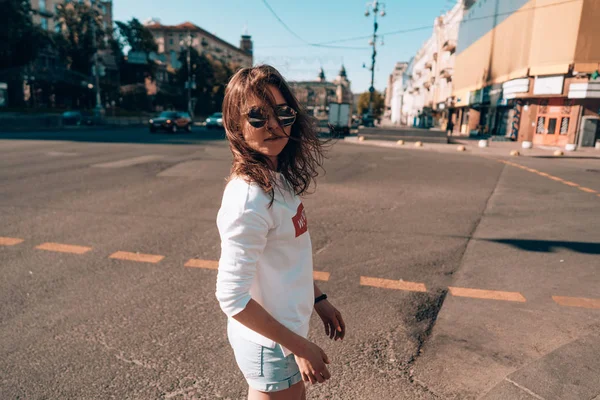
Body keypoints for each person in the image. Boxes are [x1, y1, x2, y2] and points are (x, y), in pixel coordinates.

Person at [215, 65, 346, 400]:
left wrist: (318, 299)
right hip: (269, 345)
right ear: (236, 124)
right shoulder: (249, 198)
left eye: (282, 113)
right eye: (257, 116)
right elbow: (232, 297)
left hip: (284, 337)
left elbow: (289, 258)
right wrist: (299, 347)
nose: (273, 125)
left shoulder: (277, 179)